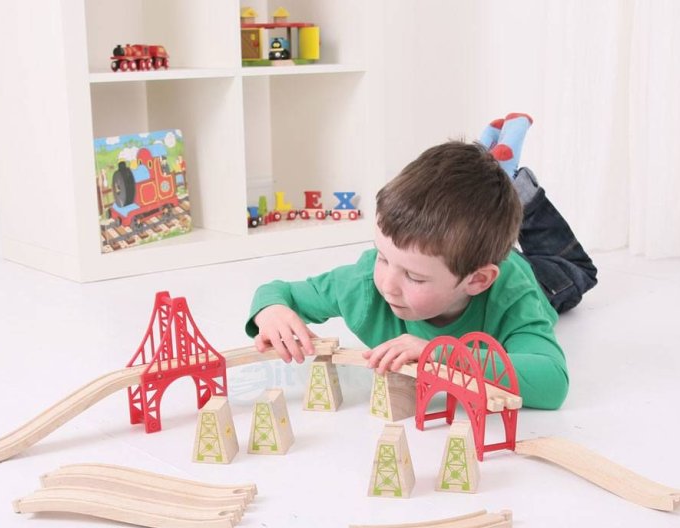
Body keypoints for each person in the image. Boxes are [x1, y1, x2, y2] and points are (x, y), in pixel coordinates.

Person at [244, 115, 597, 410]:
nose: (387, 285)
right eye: (383, 256)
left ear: (477, 281)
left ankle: (519, 189)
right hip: (470, 257)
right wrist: (270, 312)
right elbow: (277, 292)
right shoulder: (365, 283)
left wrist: (440, 354)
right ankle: (491, 171)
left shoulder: (513, 297)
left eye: (414, 276)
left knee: (575, 270)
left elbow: (551, 383)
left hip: (535, 280)